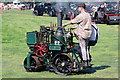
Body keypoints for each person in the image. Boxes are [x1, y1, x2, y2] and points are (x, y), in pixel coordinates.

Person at [63, 3, 92, 68]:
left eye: (78, 7)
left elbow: (74, 21)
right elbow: (84, 24)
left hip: (82, 34)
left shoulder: (81, 15)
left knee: (83, 48)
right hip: (88, 33)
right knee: (86, 47)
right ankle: (88, 62)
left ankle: (84, 62)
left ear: (81, 8)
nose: (77, 9)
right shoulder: (88, 15)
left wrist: (66, 24)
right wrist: (75, 27)